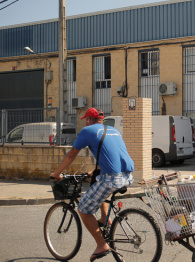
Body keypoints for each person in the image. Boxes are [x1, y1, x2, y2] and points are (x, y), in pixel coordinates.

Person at [50, 108, 134, 261]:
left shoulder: (88, 131)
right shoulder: (113, 130)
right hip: (127, 175)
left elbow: (71, 155)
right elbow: (113, 155)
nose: (85, 122)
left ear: (89, 120)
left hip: (112, 178)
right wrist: (94, 172)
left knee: (83, 209)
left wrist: (56, 174)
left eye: (85, 119)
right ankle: (105, 218)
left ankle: (102, 245)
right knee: (96, 181)